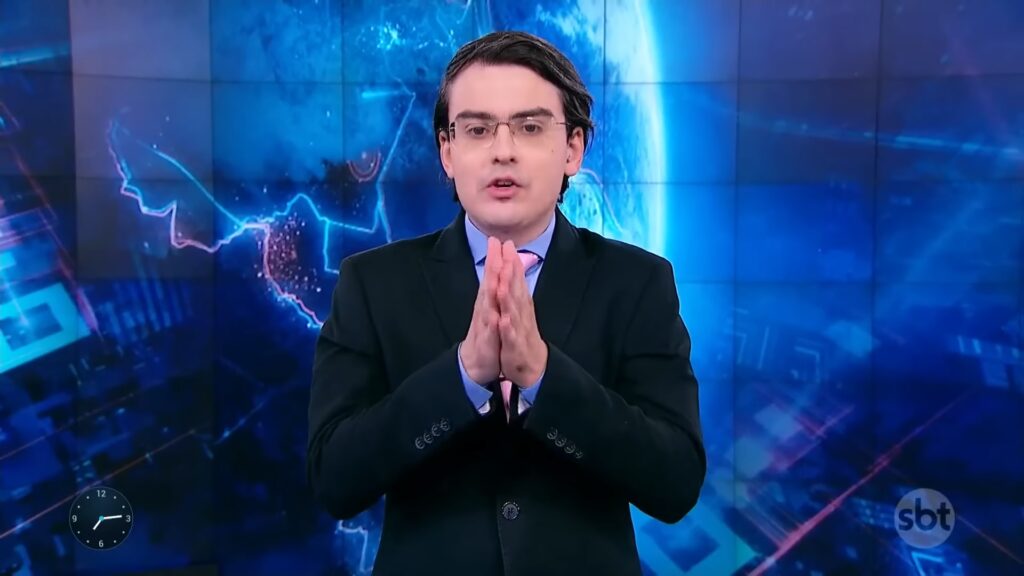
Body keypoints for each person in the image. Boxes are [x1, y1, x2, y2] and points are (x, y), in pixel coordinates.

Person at [307, 30, 705, 576]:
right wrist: (463, 375)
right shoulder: (372, 284)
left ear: (573, 149)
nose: (502, 150)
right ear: (447, 152)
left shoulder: (637, 283)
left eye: (530, 127)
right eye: (476, 129)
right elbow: (334, 478)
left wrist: (542, 376)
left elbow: (675, 481)